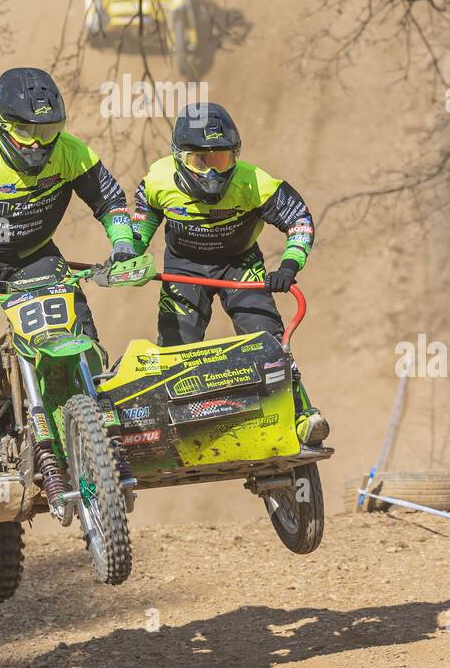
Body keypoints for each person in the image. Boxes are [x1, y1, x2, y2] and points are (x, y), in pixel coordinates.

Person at [0, 67, 136, 494]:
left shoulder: (71, 152)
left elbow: (110, 199)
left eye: (47, 129)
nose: (37, 143)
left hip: (34, 256)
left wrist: (123, 245)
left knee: (81, 333)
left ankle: (100, 428)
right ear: (0, 123)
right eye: (24, 130)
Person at [130, 102, 329, 445]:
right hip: (184, 267)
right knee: (177, 346)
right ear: (178, 157)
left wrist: (288, 265)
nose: (211, 173)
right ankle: (164, 425)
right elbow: (142, 221)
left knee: (267, 338)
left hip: (239, 265)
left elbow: (299, 221)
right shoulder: (157, 180)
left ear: (236, 156)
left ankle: (301, 415)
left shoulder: (256, 182)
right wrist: (129, 253)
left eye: (221, 160)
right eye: (199, 161)